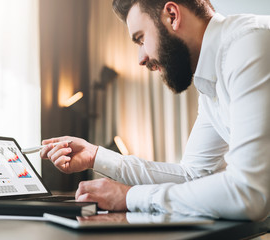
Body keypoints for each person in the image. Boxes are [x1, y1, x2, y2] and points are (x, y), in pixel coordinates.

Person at [40, 0, 270, 221]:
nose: (141, 59)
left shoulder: (249, 44)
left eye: (140, 39)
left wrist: (129, 197)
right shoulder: (211, 82)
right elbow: (192, 176)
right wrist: (95, 156)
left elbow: (250, 193)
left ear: (172, 15)